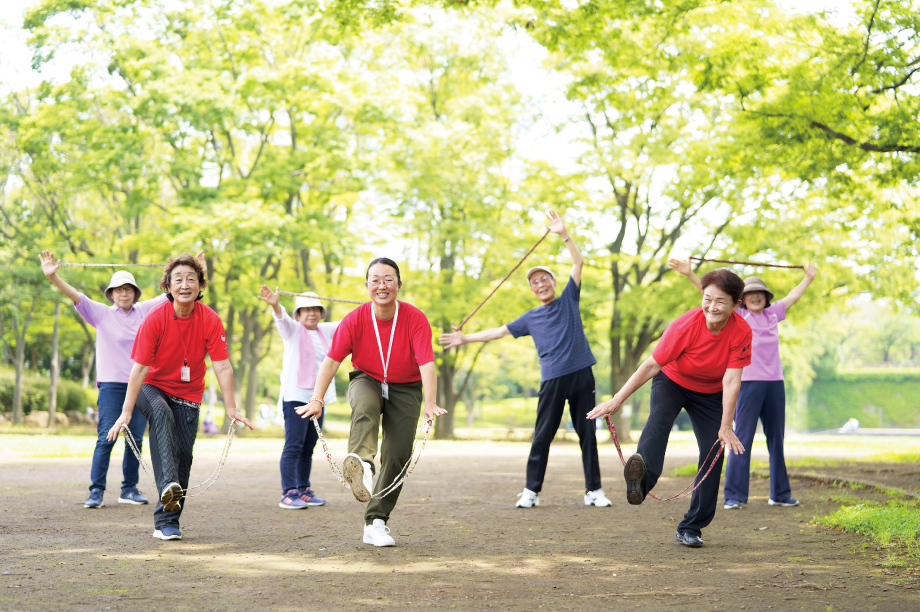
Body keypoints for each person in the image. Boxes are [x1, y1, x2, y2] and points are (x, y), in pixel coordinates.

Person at [439, 210, 609, 509]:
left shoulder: (569, 298)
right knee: (543, 435)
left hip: (582, 373)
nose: (540, 284)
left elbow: (578, 262)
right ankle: (531, 490)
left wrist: (564, 233)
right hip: (552, 378)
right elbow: (498, 332)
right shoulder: (530, 318)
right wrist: (465, 338)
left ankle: (593, 490)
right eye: (534, 282)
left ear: (554, 282)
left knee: (587, 434)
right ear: (531, 290)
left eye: (544, 279)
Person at [587, 268, 751, 548]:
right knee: (658, 421)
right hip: (673, 381)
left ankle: (692, 526)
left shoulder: (742, 331)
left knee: (714, 450)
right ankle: (640, 481)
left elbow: (732, 379)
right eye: (707, 298)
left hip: (711, 393)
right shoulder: (684, 325)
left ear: (737, 305)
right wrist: (617, 400)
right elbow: (652, 365)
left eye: (721, 301)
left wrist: (726, 426)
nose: (712, 306)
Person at [296, 257, 446, 547]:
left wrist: (430, 402)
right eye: (375, 280)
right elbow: (331, 361)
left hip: (407, 387)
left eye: (388, 279)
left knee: (398, 455)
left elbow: (426, 362)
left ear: (399, 286)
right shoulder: (355, 319)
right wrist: (317, 398)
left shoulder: (415, 318)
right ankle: (362, 465)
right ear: (366, 286)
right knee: (365, 406)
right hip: (367, 378)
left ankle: (376, 521)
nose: (382, 285)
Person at [39, 250, 203, 508]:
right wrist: (53, 276)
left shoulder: (146, 310)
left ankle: (129, 489)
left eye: (128, 289)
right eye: (117, 290)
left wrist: (196, 270)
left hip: (142, 386)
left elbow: (179, 290)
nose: (123, 294)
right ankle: (96, 491)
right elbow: (74, 295)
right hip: (112, 386)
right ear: (111, 294)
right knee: (106, 436)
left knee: (135, 440)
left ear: (135, 293)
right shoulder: (101, 313)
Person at [106, 253, 253, 541]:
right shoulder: (155, 319)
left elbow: (222, 365)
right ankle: (168, 483)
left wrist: (232, 408)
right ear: (168, 286)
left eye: (192, 279)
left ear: (200, 286)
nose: (185, 284)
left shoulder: (210, 320)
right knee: (161, 414)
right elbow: (139, 369)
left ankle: (167, 523)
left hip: (189, 394)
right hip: (153, 386)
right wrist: (126, 412)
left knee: (183, 456)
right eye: (178, 279)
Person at [669, 259, 817, 509]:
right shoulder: (738, 316)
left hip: (774, 384)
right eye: (750, 294)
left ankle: (780, 494)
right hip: (747, 383)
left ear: (766, 297)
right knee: (741, 438)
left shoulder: (773, 314)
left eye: (759, 293)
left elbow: (793, 296)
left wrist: (808, 278)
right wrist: (690, 274)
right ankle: (734, 496)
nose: (755, 297)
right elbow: (712, 297)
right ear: (742, 299)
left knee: (776, 440)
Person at [258, 287, 339, 509]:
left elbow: (351, 322)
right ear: (298, 315)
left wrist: (376, 302)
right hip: (295, 396)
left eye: (315, 309)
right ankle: (288, 492)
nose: (311, 314)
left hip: (318, 399)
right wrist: (275, 305)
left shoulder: (327, 331)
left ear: (321, 313)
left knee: (308, 446)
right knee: (294, 444)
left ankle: (303, 490)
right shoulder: (293, 330)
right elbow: (282, 320)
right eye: (305, 310)